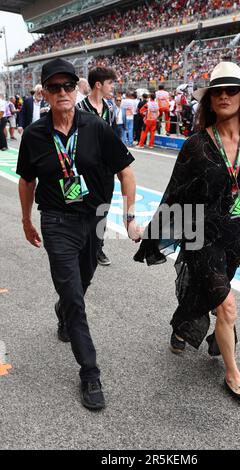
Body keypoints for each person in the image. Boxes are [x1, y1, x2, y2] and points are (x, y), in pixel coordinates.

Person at [134, 62, 240, 410]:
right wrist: (152, 231)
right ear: (209, 101)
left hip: (235, 233)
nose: (225, 96)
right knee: (226, 306)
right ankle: (233, 376)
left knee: (208, 293)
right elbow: (174, 194)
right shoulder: (195, 145)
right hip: (199, 233)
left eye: (232, 91)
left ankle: (182, 324)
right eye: (218, 92)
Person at [16, 58, 141, 411]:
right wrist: (26, 220)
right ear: (44, 93)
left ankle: (64, 310)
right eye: (53, 88)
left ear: (77, 89)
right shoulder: (34, 135)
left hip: (95, 218)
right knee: (74, 294)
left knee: (81, 284)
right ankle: (90, 371)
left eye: (67, 86)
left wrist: (129, 217)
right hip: (56, 221)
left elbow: (126, 174)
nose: (62, 93)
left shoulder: (97, 127)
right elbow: (27, 181)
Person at [77, 66, 117, 266]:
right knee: (80, 207)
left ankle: (97, 248)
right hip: (83, 169)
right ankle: (80, 244)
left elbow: (114, 139)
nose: (113, 87)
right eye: (110, 83)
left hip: (106, 170)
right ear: (98, 84)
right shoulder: (79, 109)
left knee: (103, 209)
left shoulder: (110, 108)